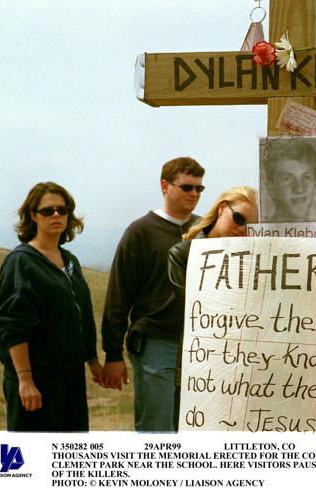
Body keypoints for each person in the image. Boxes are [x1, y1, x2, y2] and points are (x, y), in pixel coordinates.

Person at [101, 156, 205, 432]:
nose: (194, 194)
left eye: (199, 188)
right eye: (186, 187)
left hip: (201, 345)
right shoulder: (140, 231)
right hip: (157, 342)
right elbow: (118, 295)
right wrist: (113, 354)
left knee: (193, 431)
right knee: (156, 431)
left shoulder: (205, 230)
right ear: (165, 186)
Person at [0, 182, 103, 431]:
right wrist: (25, 380)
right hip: (38, 379)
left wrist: (92, 361)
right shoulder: (21, 262)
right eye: (47, 210)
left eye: (62, 210)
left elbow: (81, 313)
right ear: (33, 216)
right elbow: (13, 326)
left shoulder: (69, 260)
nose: (56, 215)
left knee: (68, 457)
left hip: (71, 376)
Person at [167, 186, 258, 429]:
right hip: (200, 369)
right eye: (238, 218)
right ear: (221, 209)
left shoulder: (257, 259)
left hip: (246, 372)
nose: (242, 229)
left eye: (252, 227)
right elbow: (194, 309)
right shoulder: (182, 254)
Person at [261, 137, 316, 222]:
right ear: (270, 188)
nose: (299, 189)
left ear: (315, 184)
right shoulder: (258, 234)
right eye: (287, 179)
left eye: (307, 177)